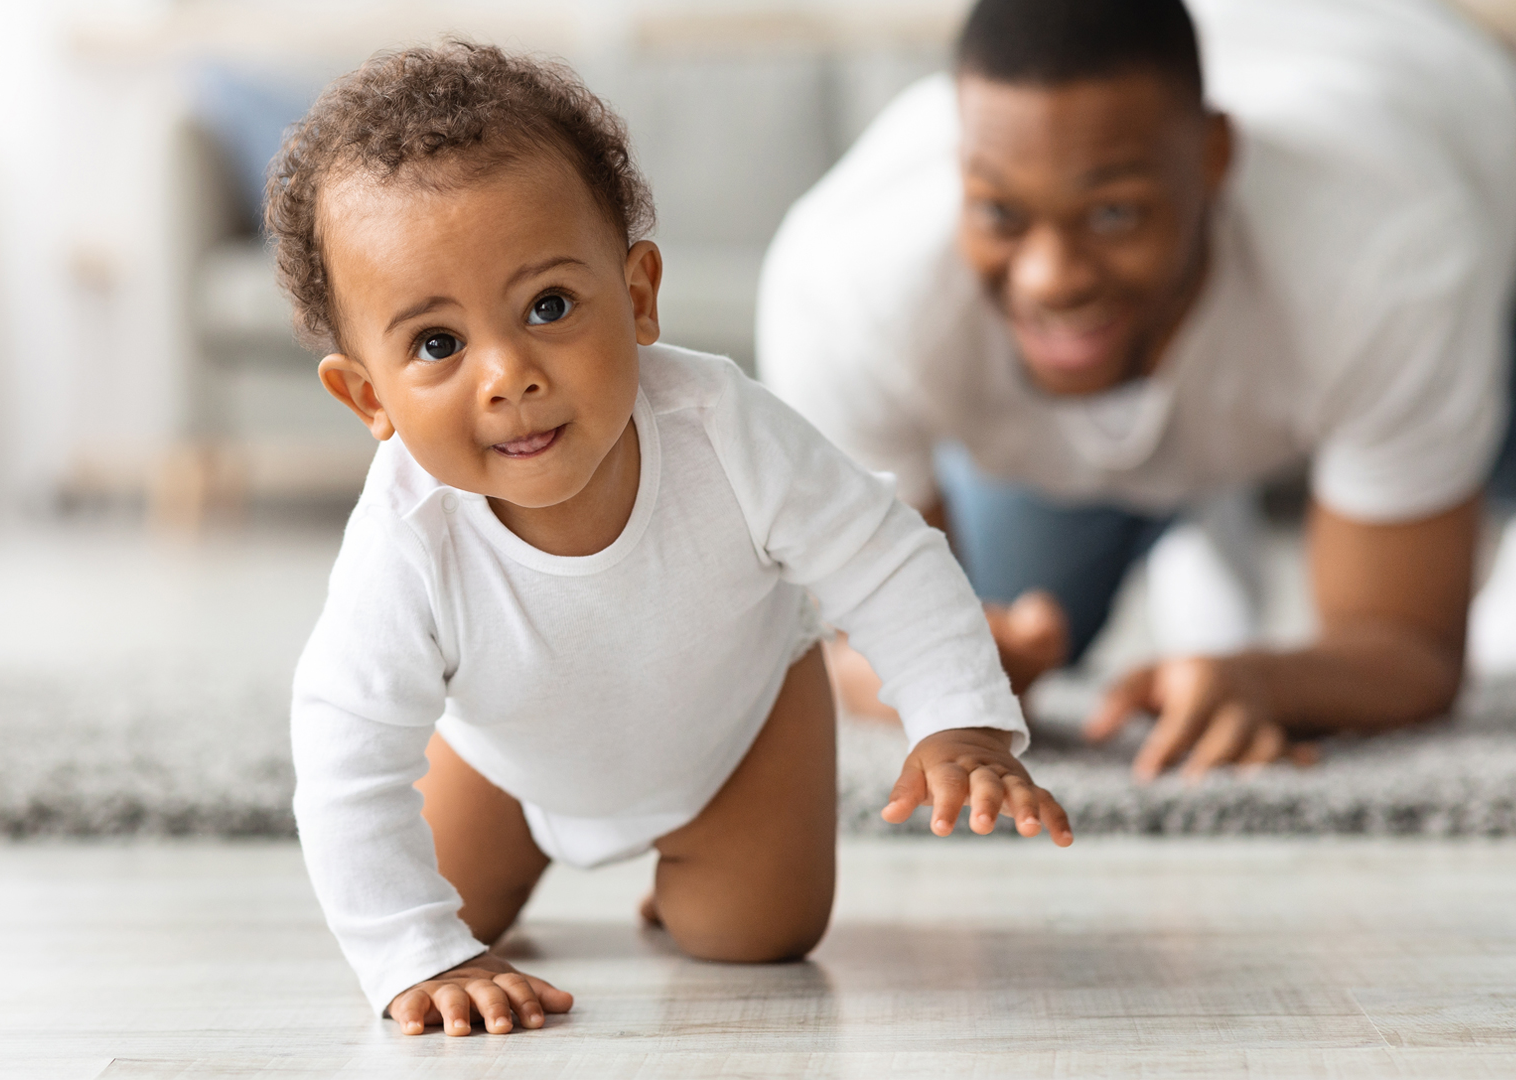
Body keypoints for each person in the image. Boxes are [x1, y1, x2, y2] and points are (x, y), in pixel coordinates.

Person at [276, 42, 1072, 1036]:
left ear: (639, 294)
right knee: (441, 923)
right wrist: (412, 955)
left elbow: (886, 558)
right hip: (504, 763)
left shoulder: (724, 431)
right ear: (368, 397)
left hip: (733, 738)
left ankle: (694, 866)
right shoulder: (406, 538)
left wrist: (960, 723)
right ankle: (486, 884)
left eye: (549, 307)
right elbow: (345, 759)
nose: (509, 375)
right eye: (438, 344)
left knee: (759, 936)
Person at [760, 0, 1516, 782]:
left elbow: (1410, 646)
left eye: (1114, 213)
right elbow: (845, 650)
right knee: (1001, 635)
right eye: (1002, 214)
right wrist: (941, 671)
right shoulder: (844, 289)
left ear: (1217, 158)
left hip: (1454, 180)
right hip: (1121, 388)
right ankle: (1199, 526)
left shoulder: (1390, 256)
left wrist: (1265, 682)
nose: (1050, 278)